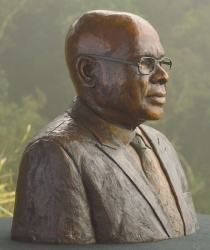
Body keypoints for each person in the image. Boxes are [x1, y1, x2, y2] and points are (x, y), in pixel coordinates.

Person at [11, 10, 199, 244]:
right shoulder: (54, 154)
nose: (162, 76)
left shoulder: (161, 145)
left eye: (161, 63)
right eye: (145, 63)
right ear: (89, 71)